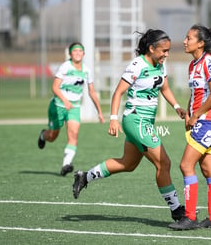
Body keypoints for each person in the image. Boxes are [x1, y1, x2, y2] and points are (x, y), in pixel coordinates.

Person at [72, 29, 187, 221]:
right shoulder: (137, 65)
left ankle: (84, 177)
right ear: (151, 48)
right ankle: (177, 211)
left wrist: (176, 107)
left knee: (128, 163)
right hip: (136, 120)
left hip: (146, 121)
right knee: (163, 163)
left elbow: (164, 88)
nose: (166, 55)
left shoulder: (160, 65)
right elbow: (118, 93)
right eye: (163, 51)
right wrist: (113, 119)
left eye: (168, 51)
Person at [168, 24, 211, 230]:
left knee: (185, 165)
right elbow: (196, 94)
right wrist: (189, 114)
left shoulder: (209, 63)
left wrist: (197, 115)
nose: (184, 41)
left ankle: (190, 217)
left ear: (200, 43)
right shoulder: (193, 65)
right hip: (201, 120)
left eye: (189, 38)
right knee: (208, 168)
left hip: (210, 121)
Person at [37, 42, 104, 176]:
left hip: (74, 107)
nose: (78, 53)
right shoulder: (65, 67)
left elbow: (92, 91)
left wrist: (100, 111)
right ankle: (43, 135)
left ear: (83, 54)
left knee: (73, 135)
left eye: (80, 51)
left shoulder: (86, 70)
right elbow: (55, 87)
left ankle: (66, 165)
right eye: (75, 51)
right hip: (57, 106)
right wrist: (65, 101)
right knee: (52, 136)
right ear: (70, 53)